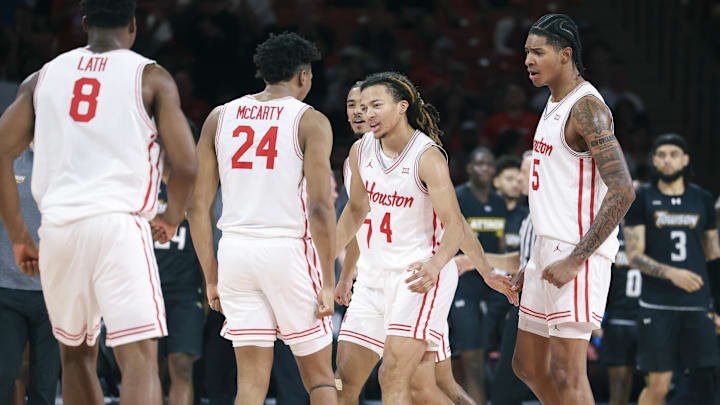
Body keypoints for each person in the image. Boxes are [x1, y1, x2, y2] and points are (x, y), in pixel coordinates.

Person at [0, 1, 199, 404]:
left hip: (58, 231)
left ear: (85, 24)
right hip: (118, 227)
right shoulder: (151, 76)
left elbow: (2, 151)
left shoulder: (42, 78)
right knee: (140, 358)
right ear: (133, 26)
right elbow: (186, 165)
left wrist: (20, 235)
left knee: (75, 356)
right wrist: (171, 216)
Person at [336, 71, 517, 404]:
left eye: (375, 105)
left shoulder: (426, 156)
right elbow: (356, 216)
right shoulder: (359, 152)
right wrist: (331, 268)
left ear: (402, 106)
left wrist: (465, 269)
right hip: (374, 277)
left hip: (419, 277)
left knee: (392, 376)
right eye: (359, 105)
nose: (365, 112)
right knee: (351, 381)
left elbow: (456, 224)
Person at [187, 32, 337, 405]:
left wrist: (211, 278)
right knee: (319, 378)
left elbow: (196, 207)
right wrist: (329, 281)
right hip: (287, 251)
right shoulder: (310, 120)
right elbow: (320, 208)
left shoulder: (219, 116)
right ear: (304, 76)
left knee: (250, 385)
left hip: (235, 252)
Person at [512, 13, 635, 405]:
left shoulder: (587, 109)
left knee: (569, 375)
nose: (528, 60)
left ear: (565, 55)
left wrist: (575, 260)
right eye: (526, 52)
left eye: (537, 52)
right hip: (547, 249)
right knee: (527, 365)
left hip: (577, 254)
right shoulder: (552, 101)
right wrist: (533, 255)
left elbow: (623, 191)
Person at [624, 134, 720, 405]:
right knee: (658, 385)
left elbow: (714, 257)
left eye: (673, 154)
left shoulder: (702, 198)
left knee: (705, 385)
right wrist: (671, 273)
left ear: (685, 159)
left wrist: (716, 307)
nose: (667, 159)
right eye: (661, 154)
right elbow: (634, 256)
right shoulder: (641, 197)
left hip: (698, 304)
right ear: (653, 160)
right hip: (657, 305)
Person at [0, 146, 60, 405]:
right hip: (7, 289)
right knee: (4, 374)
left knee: (45, 385)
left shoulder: (67, 160)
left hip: (53, 294)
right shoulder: (7, 158)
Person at [450, 147, 508, 404]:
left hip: (490, 284)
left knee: (476, 356)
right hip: (461, 285)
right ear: (469, 168)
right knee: (470, 356)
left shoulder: (498, 202)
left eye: (489, 164)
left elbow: (503, 244)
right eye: (479, 164)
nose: (485, 168)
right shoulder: (458, 198)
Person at [154, 178, 205, 405]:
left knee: (181, 365)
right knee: (149, 368)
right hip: (149, 290)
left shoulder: (194, 187)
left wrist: (207, 291)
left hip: (185, 292)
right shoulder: (143, 180)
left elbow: (206, 240)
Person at [599, 224, 640, 405]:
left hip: (650, 318)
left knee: (655, 388)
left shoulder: (652, 228)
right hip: (618, 318)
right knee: (619, 387)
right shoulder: (609, 233)